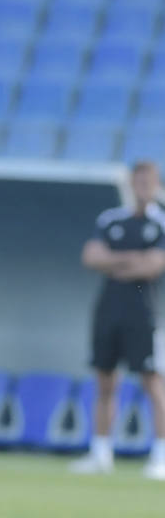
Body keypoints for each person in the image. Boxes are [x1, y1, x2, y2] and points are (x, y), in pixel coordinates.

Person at [72, 160, 165, 479]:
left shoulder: (161, 223)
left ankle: (160, 457)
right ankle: (100, 453)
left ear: (156, 185)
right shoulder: (111, 219)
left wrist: (113, 262)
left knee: (152, 381)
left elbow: (152, 267)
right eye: (136, 181)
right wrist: (133, 259)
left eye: (147, 181)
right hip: (108, 308)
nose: (142, 186)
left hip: (145, 311)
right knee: (105, 381)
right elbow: (90, 257)